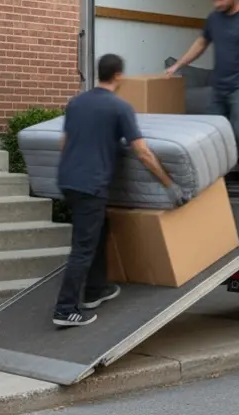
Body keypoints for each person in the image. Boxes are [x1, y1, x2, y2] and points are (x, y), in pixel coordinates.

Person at [53, 54, 185, 327]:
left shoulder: (76, 102)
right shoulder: (119, 107)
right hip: (90, 185)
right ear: (118, 76)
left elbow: (63, 143)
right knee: (83, 247)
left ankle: (95, 290)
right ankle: (65, 309)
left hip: (68, 181)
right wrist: (169, 184)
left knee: (101, 228)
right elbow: (142, 152)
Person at [165, 0, 239, 202]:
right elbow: (201, 43)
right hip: (219, 88)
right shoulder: (214, 19)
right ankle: (213, 185)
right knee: (210, 137)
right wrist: (178, 65)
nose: (218, 4)